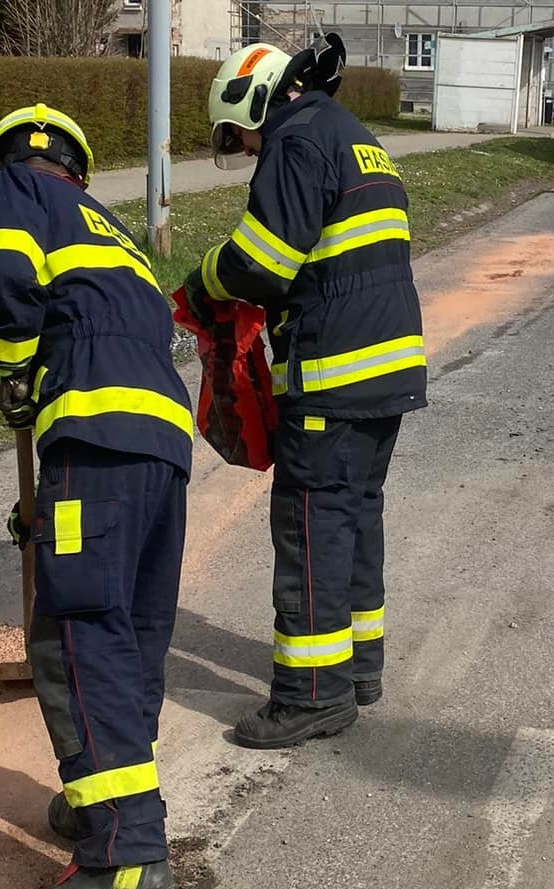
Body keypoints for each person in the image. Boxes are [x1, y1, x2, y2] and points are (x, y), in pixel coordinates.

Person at [0, 103, 193, 889]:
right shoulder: (115, 236)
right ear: (81, 166)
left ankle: (124, 862)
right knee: (130, 635)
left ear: (18, 159)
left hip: (93, 433)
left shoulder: (14, 186)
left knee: (77, 635)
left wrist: (13, 374)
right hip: (159, 446)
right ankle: (106, 800)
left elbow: (5, 277)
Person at [182, 37, 427, 750]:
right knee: (355, 518)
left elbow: (261, 263)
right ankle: (358, 669)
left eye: (242, 134)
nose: (250, 149)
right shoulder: (357, 139)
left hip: (335, 375)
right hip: (390, 371)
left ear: (256, 102)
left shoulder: (296, 142)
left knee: (313, 528)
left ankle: (313, 694)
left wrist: (202, 282)